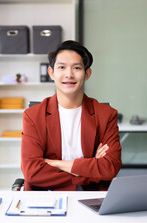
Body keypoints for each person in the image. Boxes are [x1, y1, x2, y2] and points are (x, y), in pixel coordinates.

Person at [21, 40, 122, 191]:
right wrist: (91, 168)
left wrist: (56, 163)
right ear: (51, 73)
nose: (69, 74)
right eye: (61, 67)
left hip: (90, 196)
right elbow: (32, 172)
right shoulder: (33, 116)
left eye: (76, 68)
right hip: (47, 195)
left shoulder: (105, 114)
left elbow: (110, 167)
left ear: (87, 73)